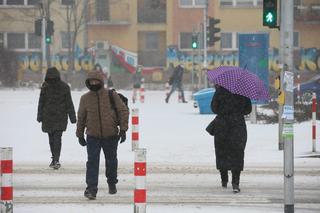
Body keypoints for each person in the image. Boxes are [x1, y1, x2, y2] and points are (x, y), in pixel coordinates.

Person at [76, 70, 129, 200]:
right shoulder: (85, 98)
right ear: (88, 83)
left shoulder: (111, 95)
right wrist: (80, 134)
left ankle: (112, 182)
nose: (94, 83)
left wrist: (123, 129)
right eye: (91, 81)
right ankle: (91, 189)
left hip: (110, 135)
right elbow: (81, 117)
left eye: (96, 81)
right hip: (92, 136)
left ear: (101, 82)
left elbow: (123, 111)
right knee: (92, 162)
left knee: (111, 161)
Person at [210, 85, 252, 193]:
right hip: (237, 125)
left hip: (222, 125)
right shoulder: (243, 90)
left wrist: (224, 110)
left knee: (222, 151)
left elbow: (213, 108)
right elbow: (248, 109)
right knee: (237, 152)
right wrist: (238, 110)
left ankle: (224, 180)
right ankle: (235, 183)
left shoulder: (220, 90)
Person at [37, 67, 76, 169]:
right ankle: (55, 159)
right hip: (57, 117)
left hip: (52, 117)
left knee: (54, 139)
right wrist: (72, 117)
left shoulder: (48, 87)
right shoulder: (60, 87)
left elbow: (41, 103)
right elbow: (69, 103)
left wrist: (40, 115)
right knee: (55, 139)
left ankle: (55, 159)